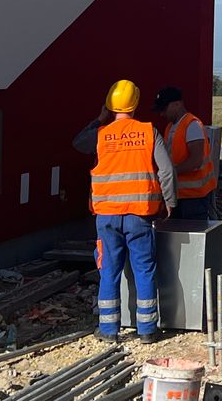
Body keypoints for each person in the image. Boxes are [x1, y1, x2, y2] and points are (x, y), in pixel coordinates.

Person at [73, 80, 177, 343]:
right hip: (139, 215)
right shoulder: (147, 132)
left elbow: (78, 143)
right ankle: (147, 330)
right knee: (144, 269)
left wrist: (99, 119)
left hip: (106, 215)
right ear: (136, 103)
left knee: (108, 270)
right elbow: (166, 170)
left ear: (110, 105)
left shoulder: (100, 134)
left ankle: (108, 331)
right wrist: (169, 203)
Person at [152, 86, 218, 220]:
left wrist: (169, 172)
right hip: (179, 194)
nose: (162, 114)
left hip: (194, 197)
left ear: (177, 104)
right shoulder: (171, 127)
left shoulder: (191, 125)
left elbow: (195, 161)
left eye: (164, 109)